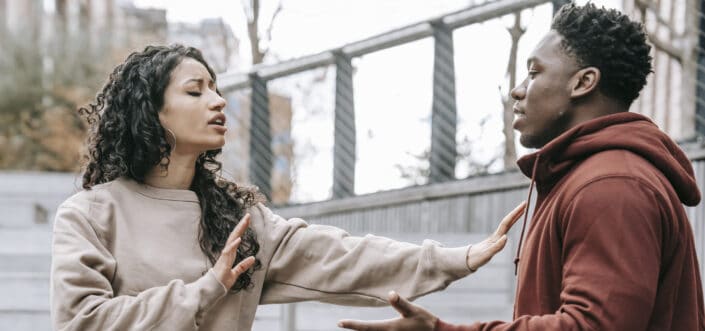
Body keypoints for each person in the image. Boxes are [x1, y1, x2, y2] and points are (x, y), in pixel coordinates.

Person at [49, 44, 527, 331]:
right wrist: (206, 290)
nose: (217, 101)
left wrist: (453, 259)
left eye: (216, 88)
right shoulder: (90, 214)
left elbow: (340, 257)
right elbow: (82, 323)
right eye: (195, 91)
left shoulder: (235, 217)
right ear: (150, 112)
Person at [339, 3, 704, 331]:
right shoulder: (586, 177)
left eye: (534, 72)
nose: (517, 90)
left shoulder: (611, 185)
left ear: (583, 82)